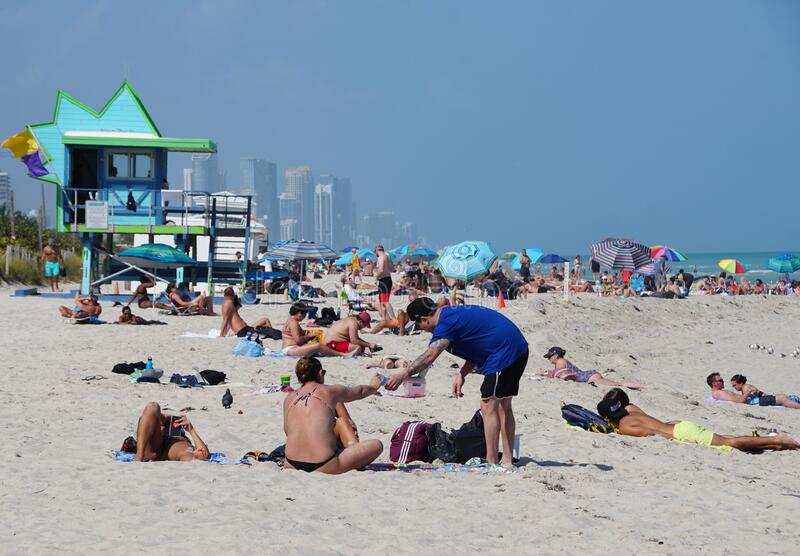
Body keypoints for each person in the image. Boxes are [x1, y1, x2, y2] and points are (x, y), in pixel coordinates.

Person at [386, 297, 529, 466]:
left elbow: (430, 355)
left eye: (418, 326)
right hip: (515, 348)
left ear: (425, 320)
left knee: (488, 407)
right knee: (504, 405)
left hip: (503, 352)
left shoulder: (445, 324)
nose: (420, 329)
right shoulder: (450, 315)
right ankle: (506, 459)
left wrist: (403, 374)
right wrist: (462, 373)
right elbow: (477, 342)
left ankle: (492, 461)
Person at [598, 388, 799, 452]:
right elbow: (653, 424)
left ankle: (779, 439)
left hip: (681, 433)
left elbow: (655, 434)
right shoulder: (631, 409)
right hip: (678, 424)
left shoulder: (624, 426)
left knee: (730, 443)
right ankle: (774, 443)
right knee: (726, 438)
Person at [283, 357, 383, 473]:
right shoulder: (329, 391)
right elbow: (359, 392)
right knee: (377, 445)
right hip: (324, 464)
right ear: (320, 373)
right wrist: (374, 386)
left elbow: (287, 431)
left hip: (291, 464)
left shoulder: (289, 398)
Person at [133, 402, 210, 462]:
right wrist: (163, 418)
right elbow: (150, 414)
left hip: (175, 442)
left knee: (188, 452)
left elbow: (205, 453)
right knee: (152, 407)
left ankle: (193, 458)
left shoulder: (179, 437)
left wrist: (191, 429)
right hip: (155, 447)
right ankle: (140, 455)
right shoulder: (152, 426)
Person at [539, 347, 650, 388]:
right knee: (616, 383)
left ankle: (644, 385)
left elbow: (559, 373)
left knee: (618, 384)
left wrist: (546, 374)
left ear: (556, 356)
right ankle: (636, 384)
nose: (548, 359)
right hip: (588, 375)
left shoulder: (560, 361)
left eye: (549, 357)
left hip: (589, 377)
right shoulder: (560, 361)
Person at [281, 302, 353, 357]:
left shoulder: (289, 320)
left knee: (316, 348)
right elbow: (298, 340)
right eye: (305, 314)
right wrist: (309, 336)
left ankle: (338, 353)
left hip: (289, 348)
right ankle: (341, 354)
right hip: (291, 349)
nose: (305, 316)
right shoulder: (294, 323)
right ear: (299, 313)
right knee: (318, 346)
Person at [707, 373, 800, 409]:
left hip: (754, 400)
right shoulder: (718, 393)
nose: (723, 381)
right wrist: (748, 392)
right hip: (755, 402)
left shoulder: (720, 392)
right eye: (720, 380)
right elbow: (739, 401)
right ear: (714, 383)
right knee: (782, 398)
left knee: (783, 397)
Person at [375, 245, 395, 321]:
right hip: (388, 279)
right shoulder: (387, 257)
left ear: (377, 250)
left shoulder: (380, 258)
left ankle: (394, 319)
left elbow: (381, 270)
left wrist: (376, 278)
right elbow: (392, 268)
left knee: (385, 302)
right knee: (383, 302)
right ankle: (385, 319)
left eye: (375, 251)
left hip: (383, 281)